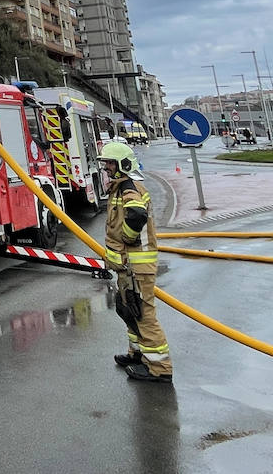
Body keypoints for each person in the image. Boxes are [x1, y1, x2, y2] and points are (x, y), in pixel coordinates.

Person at [100, 140, 173, 384]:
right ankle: (138, 353)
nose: (107, 168)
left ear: (122, 164)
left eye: (110, 163)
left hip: (136, 266)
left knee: (143, 314)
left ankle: (159, 368)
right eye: (106, 163)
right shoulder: (120, 188)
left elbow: (137, 216)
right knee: (127, 309)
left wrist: (127, 240)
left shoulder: (129, 189)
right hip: (127, 267)